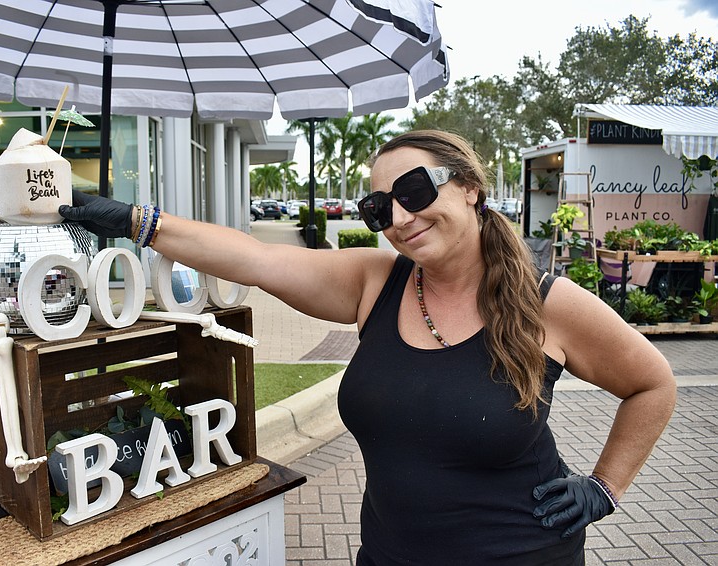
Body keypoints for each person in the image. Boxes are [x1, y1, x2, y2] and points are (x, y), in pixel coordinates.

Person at [59, 130, 676, 565]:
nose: (400, 218)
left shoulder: (548, 303)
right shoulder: (376, 283)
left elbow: (653, 385)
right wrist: (137, 222)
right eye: (380, 207)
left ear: (469, 187)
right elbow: (255, 259)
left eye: (415, 191)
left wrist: (605, 487)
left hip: (523, 554)